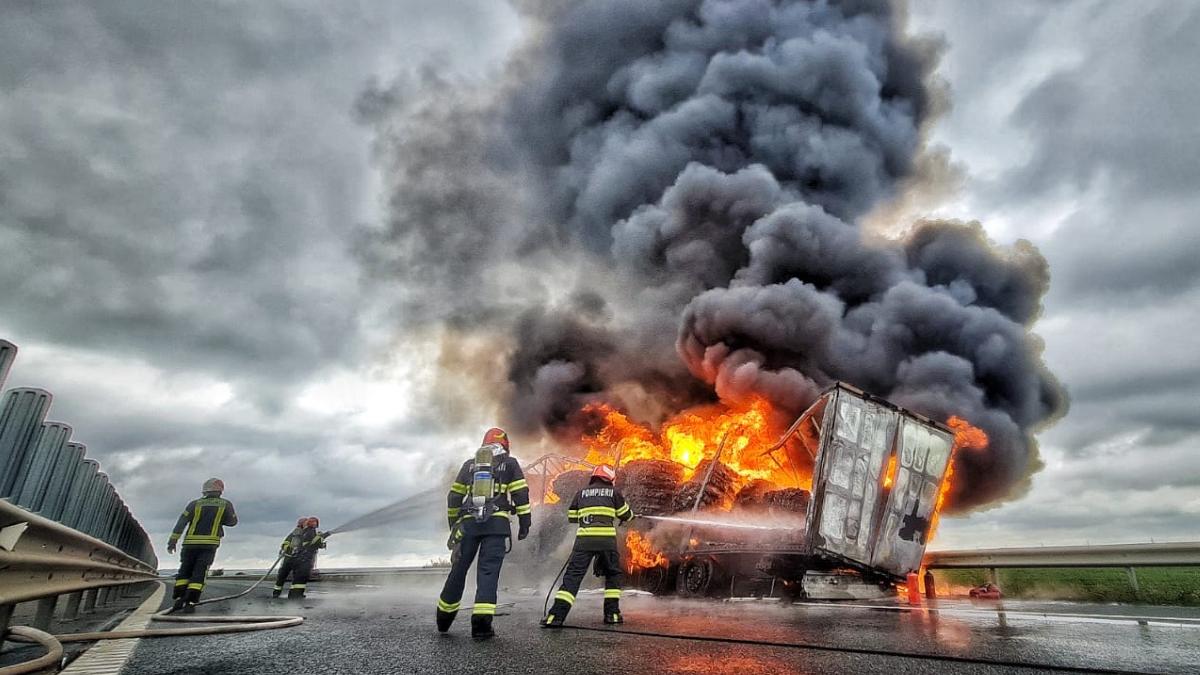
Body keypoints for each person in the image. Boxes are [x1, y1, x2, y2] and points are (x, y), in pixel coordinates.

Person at [435, 427, 532, 639]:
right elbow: (520, 493)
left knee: (458, 571)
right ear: (505, 445)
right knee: (488, 573)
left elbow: (453, 497)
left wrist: (454, 525)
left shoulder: (469, 465)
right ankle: (481, 625)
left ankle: (443, 619)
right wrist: (525, 523)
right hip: (496, 525)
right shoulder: (510, 464)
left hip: (468, 525)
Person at [541, 464, 634, 627]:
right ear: (610, 478)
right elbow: (625, 514)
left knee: (573, 577)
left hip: (584, 541)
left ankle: (555, 617)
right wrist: (627, 515)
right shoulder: (614, 493)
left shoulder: (581, 493)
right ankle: (612, 615)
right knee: (612, 575)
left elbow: (572, 517)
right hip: (606, 541)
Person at [167, 478, 237, 613]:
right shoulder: (226, 504)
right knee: (200, 572)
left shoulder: (194, 504)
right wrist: (219, 520)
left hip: (190, 544)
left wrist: (172, 541)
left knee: (185, 570)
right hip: (209, 545)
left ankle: (179, 598)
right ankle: (190, 601)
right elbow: (232, 522)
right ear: (220, 491)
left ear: (205, 490)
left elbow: (181, 523)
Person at [273, 516, 326, 598]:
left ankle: (278, 593)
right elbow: (309, 544)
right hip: (295, 559)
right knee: (298, 577)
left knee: (283, 576)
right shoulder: (302, 533)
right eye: (306, 523)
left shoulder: (296, 534)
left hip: (290, 559)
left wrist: (320, 543)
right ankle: (294, 595)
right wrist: (321, 537)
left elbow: (309, 544)